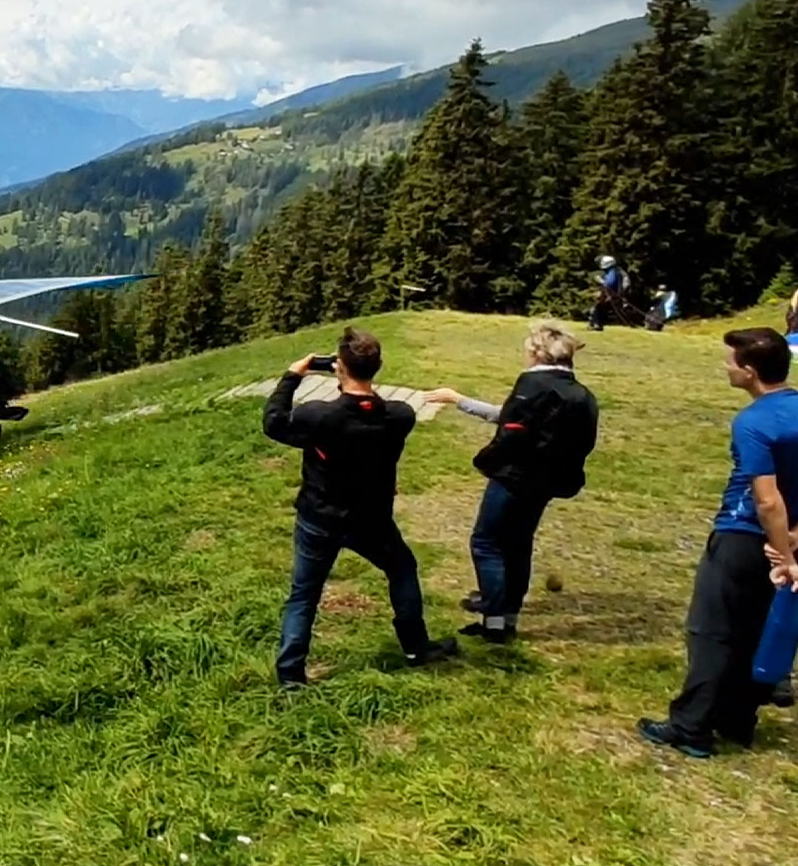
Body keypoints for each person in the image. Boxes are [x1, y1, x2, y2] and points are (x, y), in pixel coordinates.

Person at [263, 326, 461, 689]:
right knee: (402, 569)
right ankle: (416, 647)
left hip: (319, 516)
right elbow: (372, 419)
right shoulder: (401, 416)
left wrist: (292, 376)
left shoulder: (318, 417)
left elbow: (273, 423)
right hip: (372, 518)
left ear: (339, 367)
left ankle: (291, 676)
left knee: (304, 594)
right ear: (378, 366)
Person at [637, 328, 798, 757]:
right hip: (787, 541)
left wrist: (782, 551)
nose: (725, 367)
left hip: (743, 538)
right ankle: (738, 719)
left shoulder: (754, 421)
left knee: (711, 632)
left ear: (749, 372)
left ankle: (691, 727)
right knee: (753, 630)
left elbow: (766, 500)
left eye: (730, 362)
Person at [425, 321, 600, 643]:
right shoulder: (582, 395)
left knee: (486, 542)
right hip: (548, 481)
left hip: (514, 478)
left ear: (536, 352)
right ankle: (508, 617)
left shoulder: (532, 384)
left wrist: (488, 460)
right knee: (519, 545)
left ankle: (492, 619)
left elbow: (511, 431)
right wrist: (460, 400)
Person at [589, 255, 628, 332]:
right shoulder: (615, 271)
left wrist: (600, 280)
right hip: (613, 295)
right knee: (597, 308)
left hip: (612, 296)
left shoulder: (612, 272)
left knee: (597, 308)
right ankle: (595, 324)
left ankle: (597, 325)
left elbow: (609, 284)